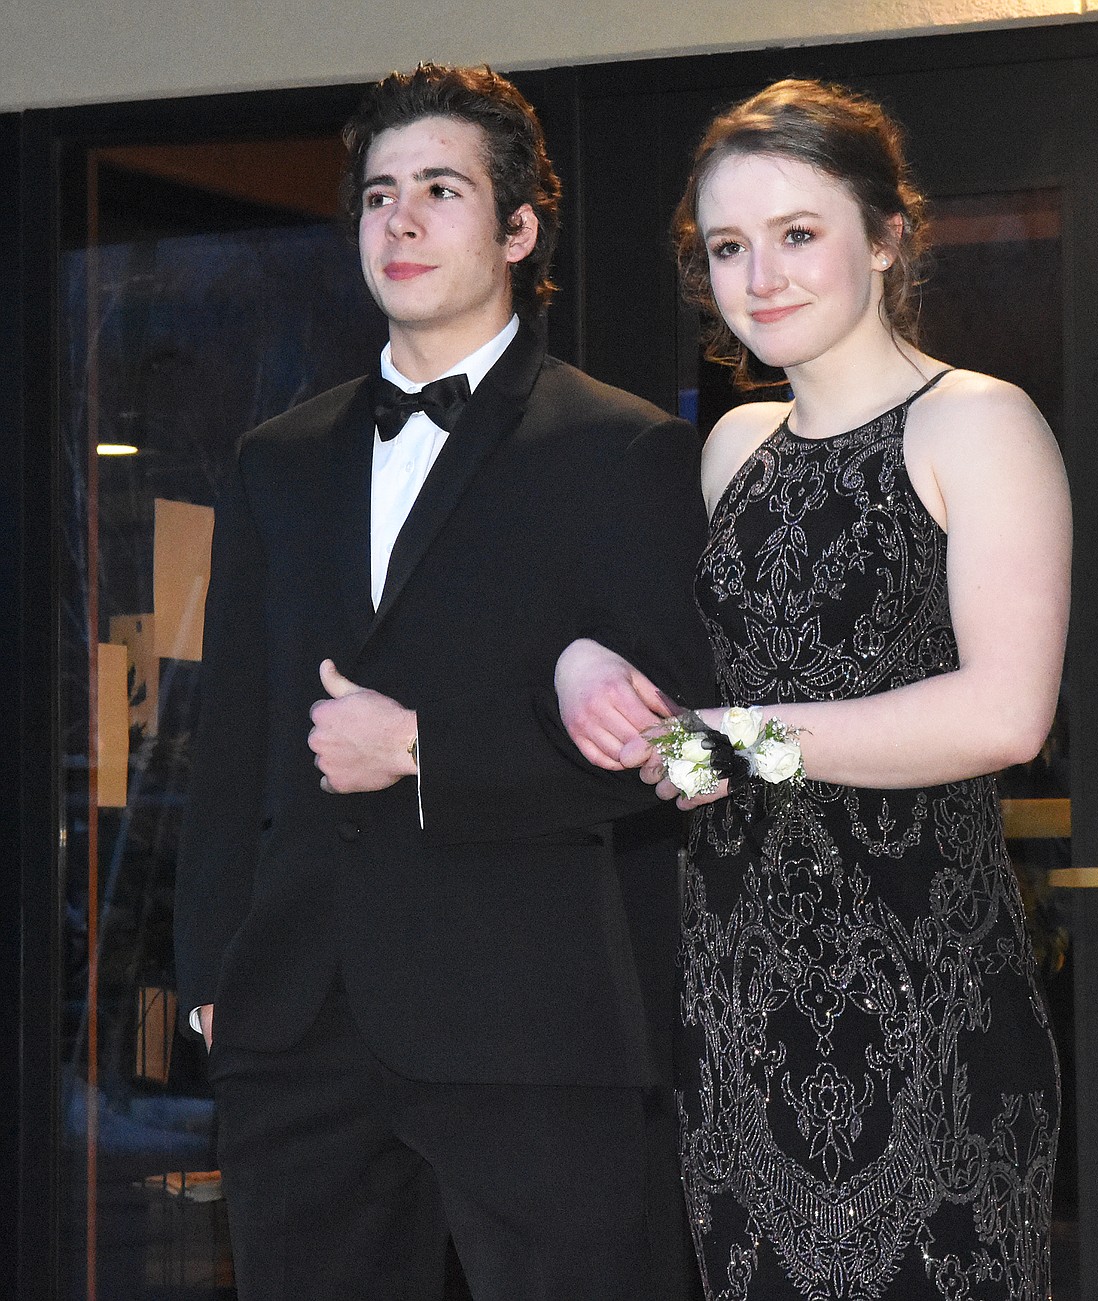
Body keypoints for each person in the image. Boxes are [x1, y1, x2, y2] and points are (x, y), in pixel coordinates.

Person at [174, 63, 716, 1301]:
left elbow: (687, 755)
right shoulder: (276, 459)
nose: (399, 223)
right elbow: (235, 739)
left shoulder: (623, 447)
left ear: (519, 229)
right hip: (299, 1028)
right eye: (377, 196)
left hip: (536, 1029)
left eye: (438, 191)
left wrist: (428, 746)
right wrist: (212, 974)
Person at [556, 78, 1070, 1299]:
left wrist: (736, 740)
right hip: (738, 1003)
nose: (761, 274)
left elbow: (1005, 714)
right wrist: (594, 670)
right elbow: (680, 707)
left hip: (931, 999)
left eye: (799, 233)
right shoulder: (733, 445)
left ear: (888, 237)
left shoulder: (978, 423)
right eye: (729, 245)